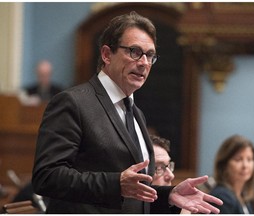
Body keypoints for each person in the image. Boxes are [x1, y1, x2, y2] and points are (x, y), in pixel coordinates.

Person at [32, 11, 222, 214]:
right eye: (134, 51)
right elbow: (47, 177)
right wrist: (116, 184)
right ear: (106, 54)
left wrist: (169, 195)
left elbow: (132, 194)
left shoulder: (136, 112)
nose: (144, 63)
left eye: (150, 55)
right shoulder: (73, 102)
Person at [209, 134, 254, 214]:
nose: (245, 165)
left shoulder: (243, 196)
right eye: (238, 159)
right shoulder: (222, 197)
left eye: (249, 159)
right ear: (224, 164)